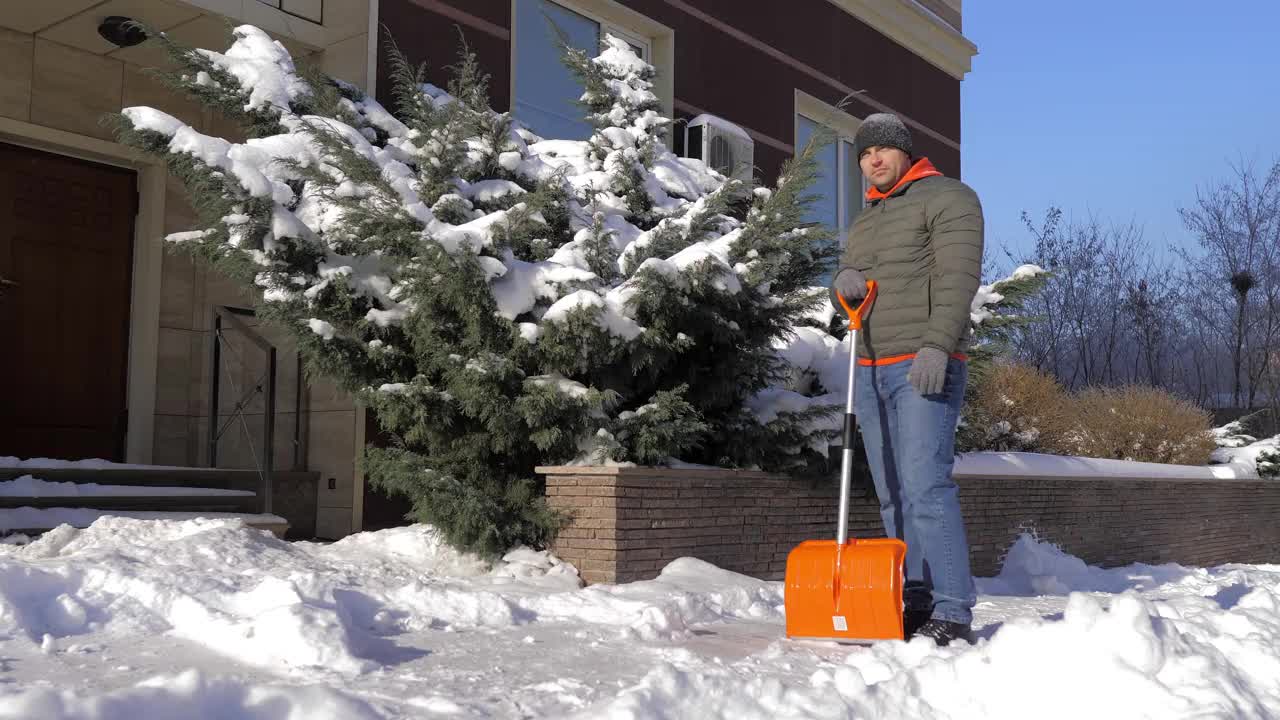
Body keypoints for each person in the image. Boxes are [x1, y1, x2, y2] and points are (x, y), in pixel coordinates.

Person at [829, 112, 983, 646]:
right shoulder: (866, 219)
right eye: (864, 154)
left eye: (882, 150)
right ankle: (915, 598)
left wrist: (938, 346)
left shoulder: (949, 198)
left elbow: (958, 279)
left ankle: (953, 608)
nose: (872, 160)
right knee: (893, 493)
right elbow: (855, 295)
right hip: (869, 368)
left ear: (904, 151)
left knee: (925, 486)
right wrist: (841, 285)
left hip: (922, 362)